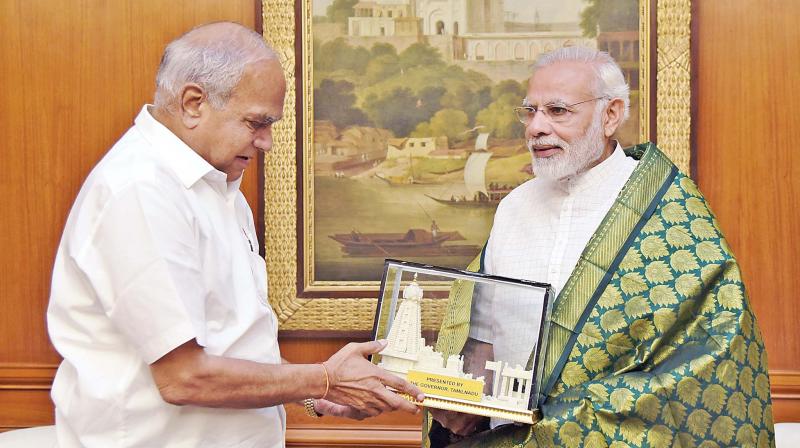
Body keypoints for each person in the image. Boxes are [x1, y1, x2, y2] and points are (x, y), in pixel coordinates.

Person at [46, 22, 422, 448]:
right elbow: (183, 378)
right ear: (193, 103)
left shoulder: (216, 184)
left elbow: (236, 343)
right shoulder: (140, 190)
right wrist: (323, 379)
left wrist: (317, 398)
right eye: (256, 123)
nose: (267, 142)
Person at [425, 47, 775, 447]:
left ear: (610, 115)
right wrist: (464, 403)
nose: (536, 127)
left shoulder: (667, 214)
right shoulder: (513, 208)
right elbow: (484, 335)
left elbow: (709, 355)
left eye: (557, 111)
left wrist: (561, 424)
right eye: (530, 111)